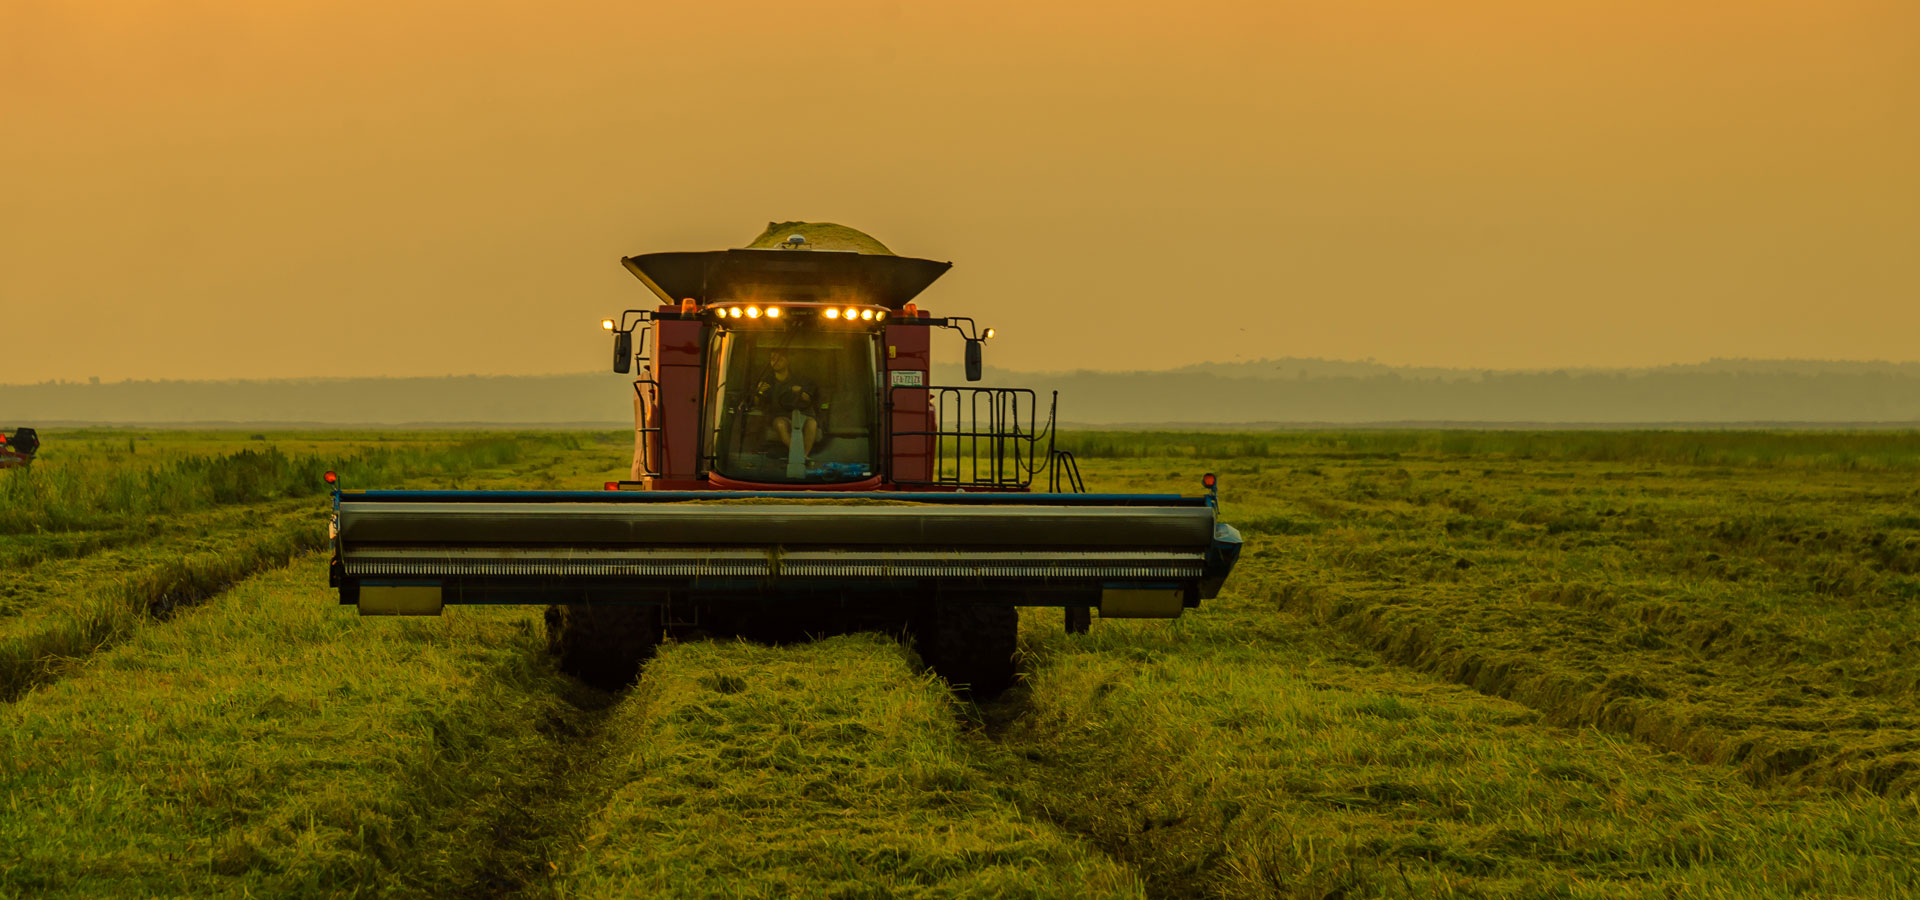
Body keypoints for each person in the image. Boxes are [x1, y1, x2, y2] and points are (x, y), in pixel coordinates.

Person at [755, 350, 820, 457]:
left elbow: (808, 398)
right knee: (781, 424)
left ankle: (804, 455)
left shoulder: (800, 379)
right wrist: (759, 391)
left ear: (788, 361)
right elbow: (757, 403)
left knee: (812, 423)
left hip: (802, 415)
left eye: (780, 359)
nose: (776, 362)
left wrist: (800, 391)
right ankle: (798, 453)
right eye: (773, 359)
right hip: (779, 416)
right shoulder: (767, 381)